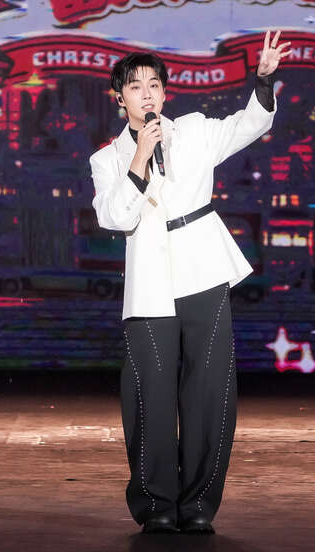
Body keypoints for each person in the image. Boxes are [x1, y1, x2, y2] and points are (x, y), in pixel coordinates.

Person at [89, 30, 291, 534]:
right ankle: (156, 503)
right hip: (150, 282)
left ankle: (199, 502)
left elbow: (248, 124)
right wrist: (139, 156)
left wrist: (263, 81)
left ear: (165, 92)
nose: (147, 94)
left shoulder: (195, 131)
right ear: (120, 99)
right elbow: (114, 217)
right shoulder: (107, 160)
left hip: (203, 268)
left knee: (208, 389)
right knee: (149, 393)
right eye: (136, 87)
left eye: (154, 85)